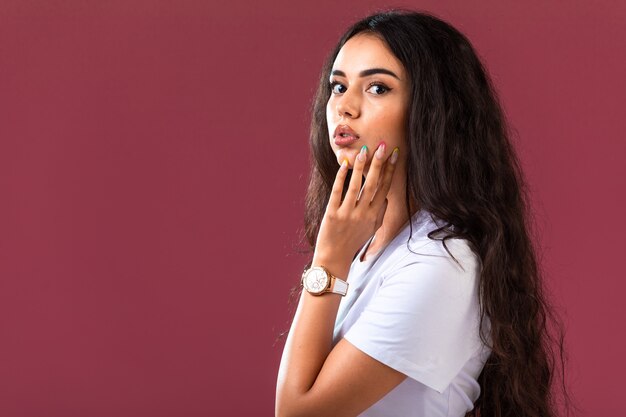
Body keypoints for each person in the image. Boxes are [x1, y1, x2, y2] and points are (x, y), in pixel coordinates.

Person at [276, 10, 571, 417]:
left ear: (431, 110)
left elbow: (296, 412)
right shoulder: (370, 246)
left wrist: (327, 260)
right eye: (338, 86)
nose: (344, 107)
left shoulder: (440, 262)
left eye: (378, 87)